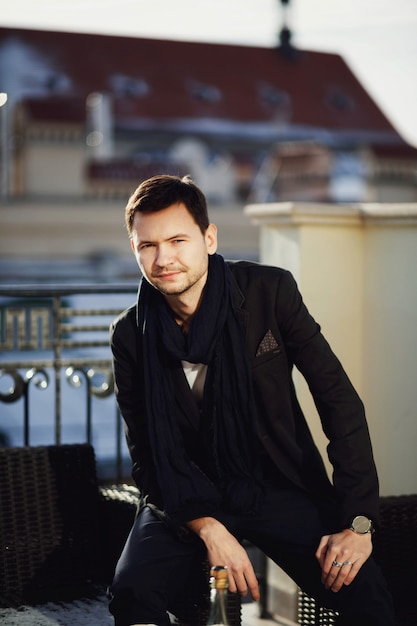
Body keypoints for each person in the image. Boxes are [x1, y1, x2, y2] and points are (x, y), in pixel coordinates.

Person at [108, 174, 394, 626]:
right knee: (131, 592)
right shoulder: (130, 335)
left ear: (209, 238)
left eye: (177, 240)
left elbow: (337, 399)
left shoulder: (268, 292)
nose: (163, 259)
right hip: (184, 491)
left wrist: (358, 523)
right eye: (147, 245)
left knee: (367, 596)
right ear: (135, 248)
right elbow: (146, 454)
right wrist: (206, 526)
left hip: (275, 482)